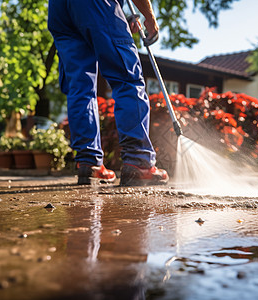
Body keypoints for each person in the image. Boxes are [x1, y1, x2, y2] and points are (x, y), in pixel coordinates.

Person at [48, 0, 168, 186]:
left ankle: (89, 163)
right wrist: (149, 17)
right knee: (127, 78)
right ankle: (138, 162)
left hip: (60, 9)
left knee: (79, 85)